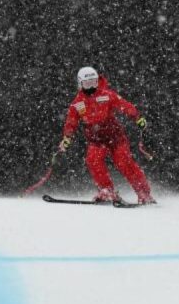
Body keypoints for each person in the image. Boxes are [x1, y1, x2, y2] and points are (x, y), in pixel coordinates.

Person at [54, 66, 156, 205]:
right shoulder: (77, 103)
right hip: (96, 140)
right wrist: (67, 137)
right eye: (87, 83)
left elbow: (124, 105)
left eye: (93, 82)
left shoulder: (106, 94)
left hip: (115, 137)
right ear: (80, 84)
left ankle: (143, 192)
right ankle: (107, 190)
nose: (91, 86)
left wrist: (137, 117)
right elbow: (71, 121)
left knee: (124, 162)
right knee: (93, 160)